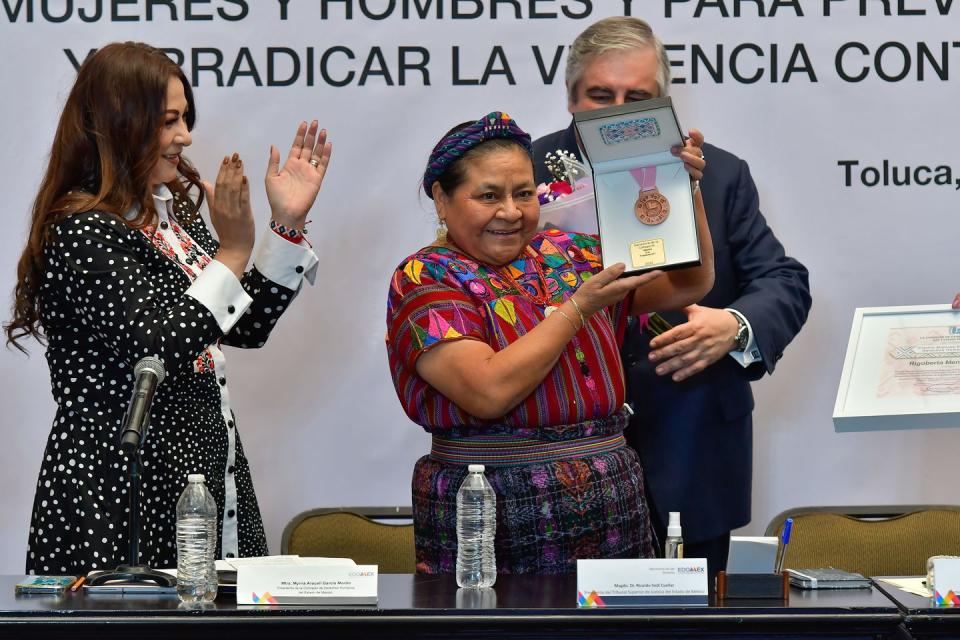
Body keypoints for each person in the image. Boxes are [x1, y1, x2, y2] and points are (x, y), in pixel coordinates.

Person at [5, 42, 332, 574]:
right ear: (119, 126)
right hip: (120, 490)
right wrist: (231, 250)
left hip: (203, 471)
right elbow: (155, 347)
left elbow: (241, 325)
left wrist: (285, 226)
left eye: (185, 119)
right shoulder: (83, 229)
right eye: (169, 121)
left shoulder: (171, 214)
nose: (185, 137)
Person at [532, 17, 811, 578]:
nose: (618, 109)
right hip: (560, 456)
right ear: (570, 98)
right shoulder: (526, 173)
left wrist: (734, 325)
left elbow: (783, 280)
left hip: (693, 444)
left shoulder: (722, 174)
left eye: (637, 96)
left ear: (663, 100)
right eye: (600, 95)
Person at [385, 111, 712, 574]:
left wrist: (686, 191)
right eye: (488, 196)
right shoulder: (425, 278)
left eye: (523, 193)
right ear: (441, 199)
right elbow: (488, 391)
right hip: (494, 512)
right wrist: (576, 309)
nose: (511, 212)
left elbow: (686, 284)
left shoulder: (567, 251)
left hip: (612, 500)